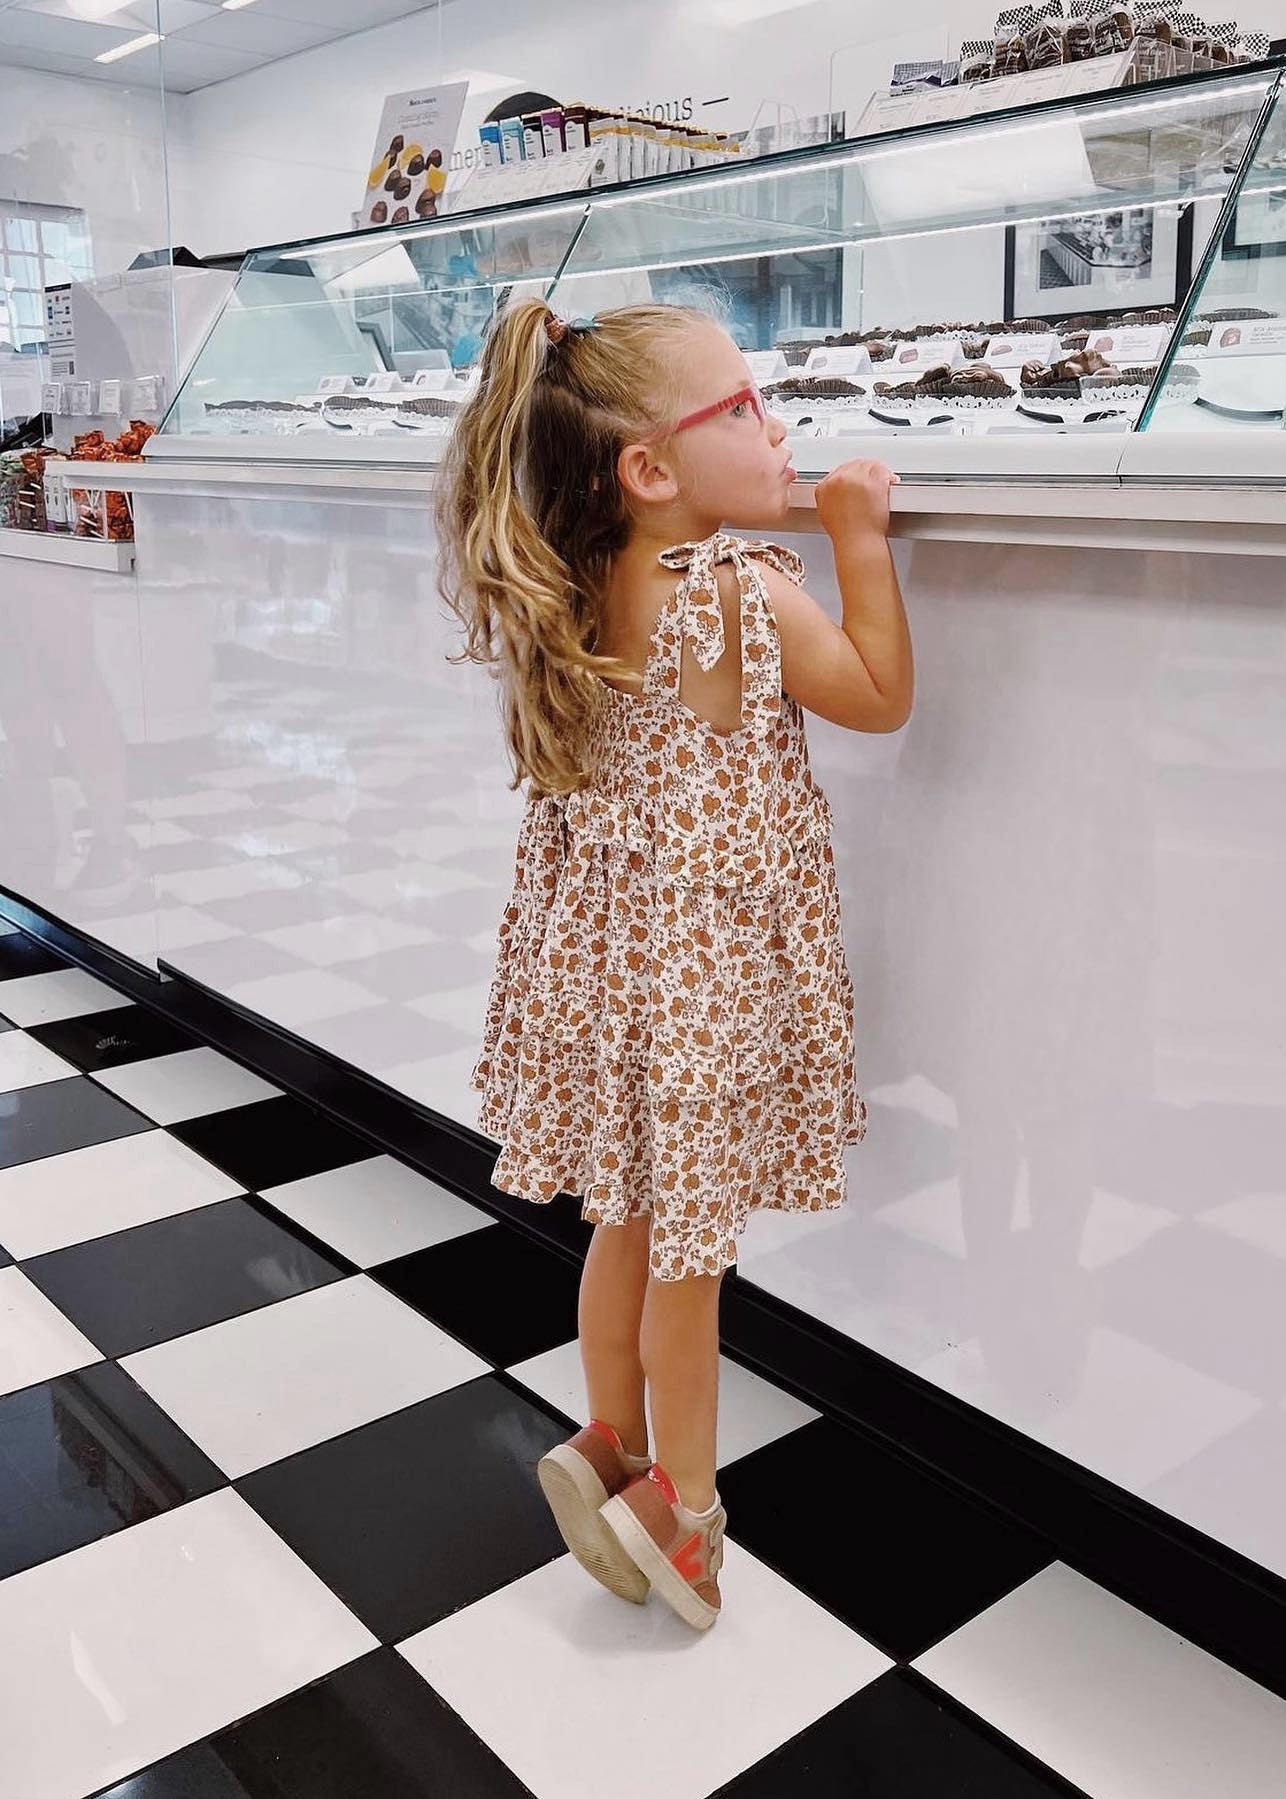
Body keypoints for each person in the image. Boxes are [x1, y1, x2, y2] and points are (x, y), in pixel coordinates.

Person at [435, 297, 913, 1632]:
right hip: (701, 981)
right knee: (693, 1268)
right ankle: (687, 1522)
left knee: (625, 1225)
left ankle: (607, 1444)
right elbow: (878, 692)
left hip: (611, 973)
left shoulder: (583, 579)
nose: (778, 429)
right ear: (649, 469)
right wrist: (856, 534)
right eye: (745, 410)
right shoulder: (734, 593)